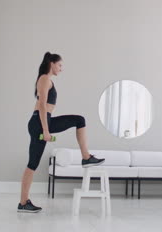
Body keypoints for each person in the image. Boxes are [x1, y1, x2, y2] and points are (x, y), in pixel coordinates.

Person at [18, 52, 105, 213]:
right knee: (32, 164)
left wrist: (47, 127)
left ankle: (86, 157)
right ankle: (23, 202)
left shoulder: (47, 80)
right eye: (60, 65)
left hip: (44, 121)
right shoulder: (44, 79)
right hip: (40, 122)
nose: (61, 68)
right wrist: (45, 130)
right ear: (52, 63)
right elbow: (42, 105)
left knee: (79, 120)